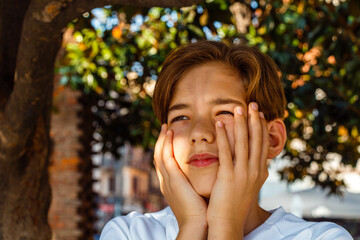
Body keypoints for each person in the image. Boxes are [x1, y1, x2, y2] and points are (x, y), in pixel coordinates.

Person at [100, 41, 352, 240]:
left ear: (272, 139)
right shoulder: (129, 233)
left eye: (224, 113)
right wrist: (192, 224)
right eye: (180, 117)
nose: (199, 132)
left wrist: (225, 223)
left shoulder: (322, 237)